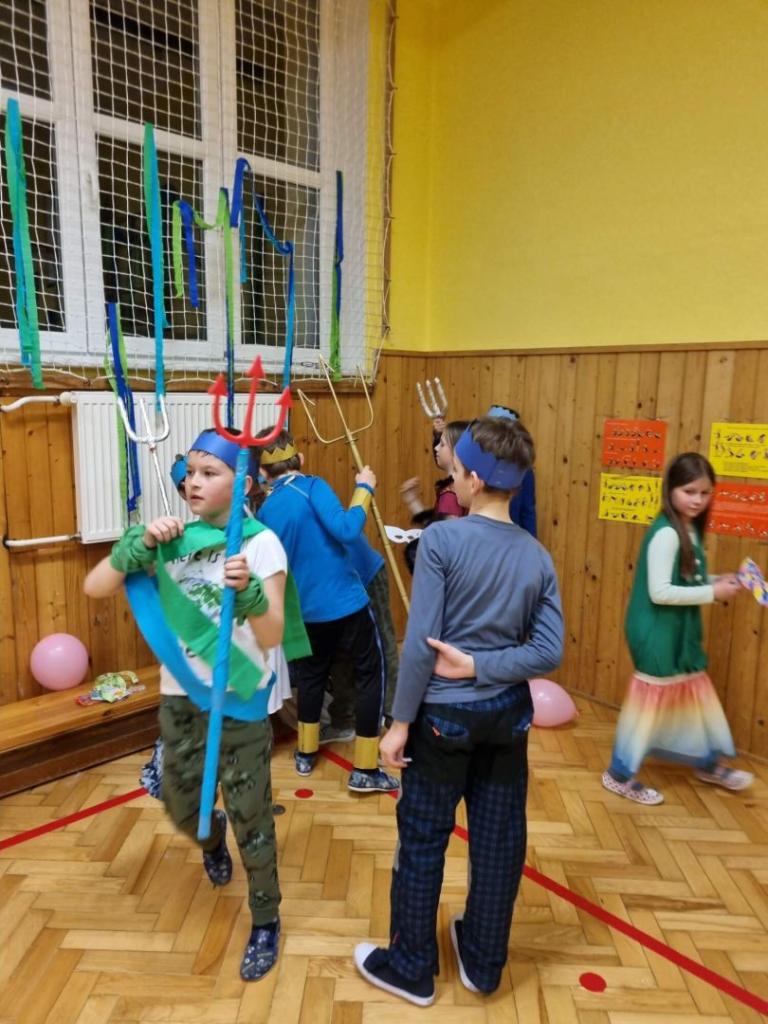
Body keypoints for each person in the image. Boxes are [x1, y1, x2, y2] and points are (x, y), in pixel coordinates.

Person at [354, 416, 564, 1005]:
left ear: (470, 479)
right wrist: (485, 666)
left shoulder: (442, 541)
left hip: (443, 721)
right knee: (499, 841)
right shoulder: (537, 555)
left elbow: (422, 644)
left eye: (456, 470)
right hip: (508, 716)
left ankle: (411, 967)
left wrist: (399, 724)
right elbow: (549, 651)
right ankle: (483, 962)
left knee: (422, 840)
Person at [84, 429, 307, 982]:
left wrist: (250, 593)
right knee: (184, 807)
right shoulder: (174, 537)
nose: (193, 482)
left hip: (240, 705)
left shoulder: (260, 544)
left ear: (244, 483)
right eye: (191, 472)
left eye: (210, 473)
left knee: (253, 817)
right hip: (180, 699)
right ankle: (210, 835)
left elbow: (273, 634)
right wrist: (134, 548)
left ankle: (266, 920)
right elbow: (95, 586)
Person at [602, 452, 753, 804]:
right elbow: (660, 592)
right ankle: (618, 774)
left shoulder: (688, 528)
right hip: (655, 629)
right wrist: (713, 592)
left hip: (677, 628)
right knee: (650, 702)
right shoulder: (668, 533)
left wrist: (717, 580)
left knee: (693, 691)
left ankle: (707, 762)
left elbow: (683, 579)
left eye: (705, 492)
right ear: (671, 489)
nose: (698, 500)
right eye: (689, 491)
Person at [256, 427, 399, 793]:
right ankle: (365, 768)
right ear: (300, 459)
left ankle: (306, 754)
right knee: (370, 673)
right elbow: (348, 530)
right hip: (347, 602)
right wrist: (364, 488)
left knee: (313, 677)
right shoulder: (313, 486)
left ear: (262, 473)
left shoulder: (265, 511)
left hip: (307, 612)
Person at [321, 532, 400, 742]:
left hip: (362, 573)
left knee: (382, 646)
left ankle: (397, 720)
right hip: (331, 585)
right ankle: (344, 720)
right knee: (338, 653)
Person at [400, 419, 470, 573]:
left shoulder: (451, 494)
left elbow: (446, 541)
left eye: (442, 444)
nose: (436, 448)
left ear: (457, 452)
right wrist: (413, 501)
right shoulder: (453, 490)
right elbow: (438, 525)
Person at [487, 405, 537, 537]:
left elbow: (528, 511)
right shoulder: (479, 463)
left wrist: (531, 543)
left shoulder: (524, 470)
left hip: (512, 536)